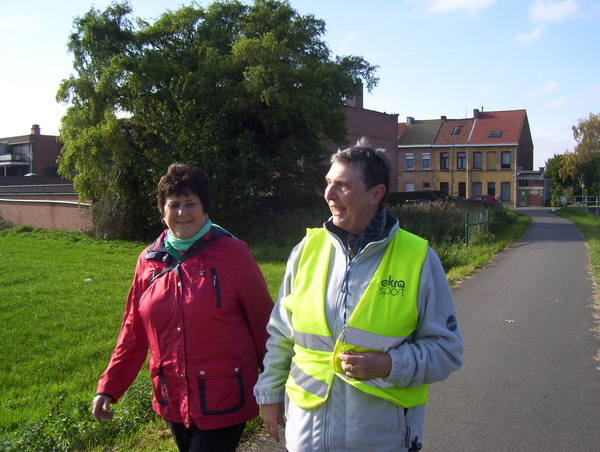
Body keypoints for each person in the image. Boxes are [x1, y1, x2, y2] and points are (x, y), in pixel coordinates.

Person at [254, 138, 464, 452]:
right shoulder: (305, 251)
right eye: (328, 183)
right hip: (306, 437)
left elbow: (447, 351)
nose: (328, 194)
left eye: (343, 186)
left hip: (381, 440)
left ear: (375, 194)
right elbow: (282, 334)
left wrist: (391, 365)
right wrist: (269, 396)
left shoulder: (418, 258)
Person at [92, 163, 274, 452]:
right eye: (173, 204)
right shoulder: (149, 260)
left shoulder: (233, 253)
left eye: (191, 204)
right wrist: (109, 387)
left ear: (205, 208)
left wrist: (277, 386)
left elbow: (265, 323)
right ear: (162, 211)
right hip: (172, 395)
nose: (182, 212)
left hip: (225, 396)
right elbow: (133, 331)